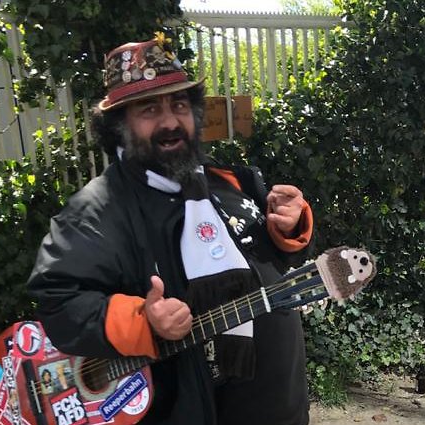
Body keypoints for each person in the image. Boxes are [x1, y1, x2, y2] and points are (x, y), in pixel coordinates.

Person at [27, 33, 314, 425]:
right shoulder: (97, 211)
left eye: (179, 104)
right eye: (148, 110)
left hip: (283, 408)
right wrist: (141, 320)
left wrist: (290, 227)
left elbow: (270, 264)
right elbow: (58, 300)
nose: (169, 121)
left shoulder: (231, 180)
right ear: (118, 127)